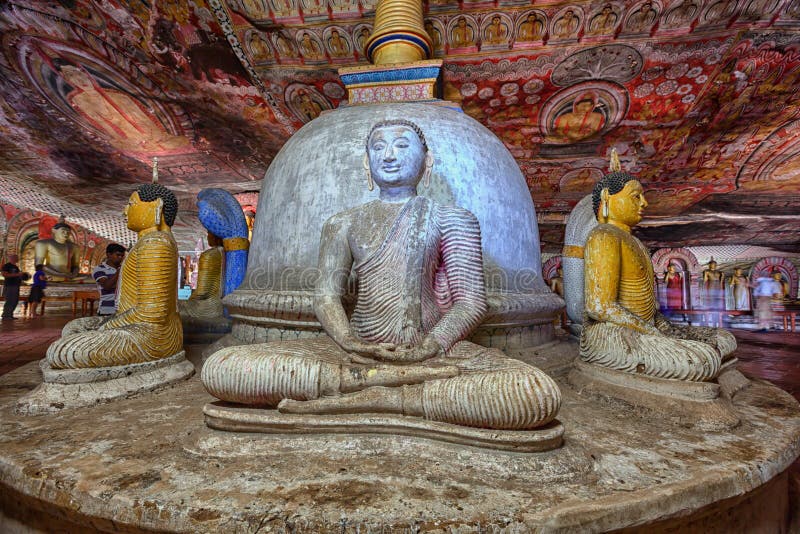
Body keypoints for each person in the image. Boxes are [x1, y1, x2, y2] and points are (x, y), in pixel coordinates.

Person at [202, 119, 561, 430]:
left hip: (431, 354)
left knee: (533, 392)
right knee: (224, 367)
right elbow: (327, 294)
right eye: (379, 147)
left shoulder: (452, 219)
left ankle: (363, 398)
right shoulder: (343, 223)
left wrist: (430, 346)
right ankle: (398, 394)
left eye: (402, 145)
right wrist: (347, 341)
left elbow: (470, 302)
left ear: (427, 161)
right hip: (354, 353)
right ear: (366, 161)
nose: (388, 155)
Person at [580, 171, 736, 381]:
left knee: (723, 339)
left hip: (642, 328)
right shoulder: (603, 235)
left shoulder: (636, 243)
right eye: (636, 196)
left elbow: (649, 310)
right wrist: (651, 332)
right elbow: (599, 306)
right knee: (701, 360)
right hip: (613, 333)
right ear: (607, 197)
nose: (644, 203)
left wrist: (664, 328)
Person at [46, 183, 182, 368]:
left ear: (156, 206)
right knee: (74, 329)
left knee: (63, 352)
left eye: (131, 204)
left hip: (152, 335)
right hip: (133, 323)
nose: (125, 211)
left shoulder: (156, 244)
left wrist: (105, 328)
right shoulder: (147, 243)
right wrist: (108, 325)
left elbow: (152, 314)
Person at [93, 243, 126, 317]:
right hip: (107, 310)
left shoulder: (125, 269)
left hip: (124, 309)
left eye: (122, 255)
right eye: (118, 255)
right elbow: (107, 286)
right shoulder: (99, 269)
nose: (120, 258)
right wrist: (119, 272)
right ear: (109, 255)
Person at [2, 254, 28, 320]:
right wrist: (18, 274)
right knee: (10, 300)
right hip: (10, 286)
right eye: (16, 257)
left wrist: (22, 276)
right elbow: (5, 274)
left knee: (14, 301)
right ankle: (6, 315)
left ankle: (10, 314)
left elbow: (17, 276)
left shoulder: (16, 267)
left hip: (15, 286)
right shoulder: (7, 266)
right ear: (11, 258)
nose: (17, 258)